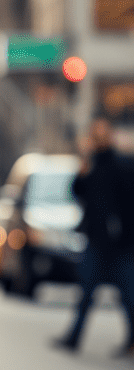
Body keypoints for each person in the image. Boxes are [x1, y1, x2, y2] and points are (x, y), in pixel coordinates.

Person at [53, 118, 134, 355]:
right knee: (87, 291)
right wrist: (82, 169)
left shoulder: (123, 165)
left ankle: (130, 340)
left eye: (100, 135)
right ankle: (74, 337)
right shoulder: (91, 164)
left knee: (128, 295)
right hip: (97, 241)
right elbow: (77, 192)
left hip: (122, 244)